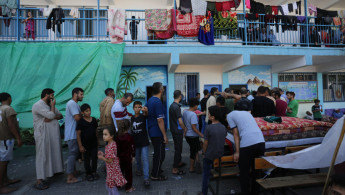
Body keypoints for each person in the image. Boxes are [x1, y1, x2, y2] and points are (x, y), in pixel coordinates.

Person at [227, 105, 265, 195]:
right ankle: (255, 193)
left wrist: (237, 152)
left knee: (244, 173)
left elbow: (235, 134)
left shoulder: (229, 115)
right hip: (261, 142)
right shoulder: (247, 113)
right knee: (257, 172)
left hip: (247, 144)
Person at [32, 88, 63, 190]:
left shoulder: (48, 105)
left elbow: (59, 115)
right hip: (42, 134)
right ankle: (39, 180)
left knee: (51, 153)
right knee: (42, 155)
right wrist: (52, 110)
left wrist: (52, 115)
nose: (53, 97)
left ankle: (51, 172)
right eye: (52, 95)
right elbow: (50, 115)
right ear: (47, 95)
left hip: (51, 135)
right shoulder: (38, 105)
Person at [201, 106, 227, 195]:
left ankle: (204, 192)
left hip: (209, 155)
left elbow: (205, 143)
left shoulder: (208, 128)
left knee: (205, 174)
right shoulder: (223, 127)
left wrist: (204, 153)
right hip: (220, 155)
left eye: (209, 114)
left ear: (212, 117)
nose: (208, 115)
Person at [0, 93, 22, 194]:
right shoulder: (8, 109)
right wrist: (18, 138)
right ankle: (1, 186)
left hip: (2, 139)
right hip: (6, 138)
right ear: (9, 98)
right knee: (3, 161)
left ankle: (5, 180)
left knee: (5, 160)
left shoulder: (1, 108)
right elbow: (11, 124)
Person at [145, 82, 168, 181]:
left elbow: (145, 111)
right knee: (159, 154)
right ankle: (155, 174)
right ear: (161, 90)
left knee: (160, 153)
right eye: (162, 88)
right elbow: (160, 120)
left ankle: (157, 169)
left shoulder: (150, 100)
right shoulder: (157, 102)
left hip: (152, 130)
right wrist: (165, 135)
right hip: (157, 132)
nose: (163, 89)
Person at [98, 128, 127, 195]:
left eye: (105, 134)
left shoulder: (111, 146)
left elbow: (110, 160)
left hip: (112, 170)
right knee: (110, 185)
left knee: (112, 185)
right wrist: (103, 154)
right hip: (111, 169)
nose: (103, 136)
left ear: (111, 136)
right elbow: (109, 156)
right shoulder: (110, 144)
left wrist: (102, 158)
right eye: (103, 134)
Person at [65, 87, 84, 184]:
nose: (82, 96)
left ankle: (74, 171)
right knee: (72, 154)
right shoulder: (72, 103)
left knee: (74, 153)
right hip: (72, 134)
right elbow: (77, 117)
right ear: (75, 94)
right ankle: (70, 177)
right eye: (81, 94)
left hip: (73, 133)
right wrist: (84, 115)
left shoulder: (74, 104)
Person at [76, 104, 99, 182]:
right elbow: (78, 134)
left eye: (89, 110)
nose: (89, 112)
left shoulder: (94, 120)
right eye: (86, 111)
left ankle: (94, 171)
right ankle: (88, 173)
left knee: (94, 158)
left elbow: (96, 131)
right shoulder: (81, 122)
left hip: (94, 143)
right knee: (87, 159)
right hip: (85, 144)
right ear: (82, 112)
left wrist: (98, 141)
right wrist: (80, 146)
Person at [131, 101, 150, 186]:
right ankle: (139, 170)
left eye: (139, 107)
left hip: (144, 142)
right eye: (136, 107)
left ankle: (146, 178)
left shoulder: (143, 116)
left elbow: (146, 113)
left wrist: (144, 110)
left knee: (145, 159)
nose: (137, 109)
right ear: (133, 108)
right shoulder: (131, 118)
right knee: (138, 158)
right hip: (135, 142)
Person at [183, 98, 204, 174]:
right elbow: (194, 128)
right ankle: (191, 168)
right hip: (193, 135)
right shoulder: (193, 115)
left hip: (188, 135)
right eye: (197, 105)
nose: (197, 107)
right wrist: (201, 134)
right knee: (193, 151)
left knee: (195, 149)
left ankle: (197, 164)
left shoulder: (185, 112)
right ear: (195, 105)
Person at [169, 90, 187, 175]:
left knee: (178, 148)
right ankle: (175, 168)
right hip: (177, 131)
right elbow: (180, 121)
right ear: (180, 96)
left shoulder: (172, 105)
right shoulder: (176, 107)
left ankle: (179, 162)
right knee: (178, 149)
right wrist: (184, 128)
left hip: (173, 130)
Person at [116, 119, 135, 193]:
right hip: (127, 158)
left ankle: (119, 184)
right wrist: (133, 156)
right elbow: (132, 147)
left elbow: (117, 148)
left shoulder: (117, 136)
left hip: (120, 157)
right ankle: (128, 187)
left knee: (120, 171)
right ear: (128, 127)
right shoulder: (129, 137)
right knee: (128, 173)